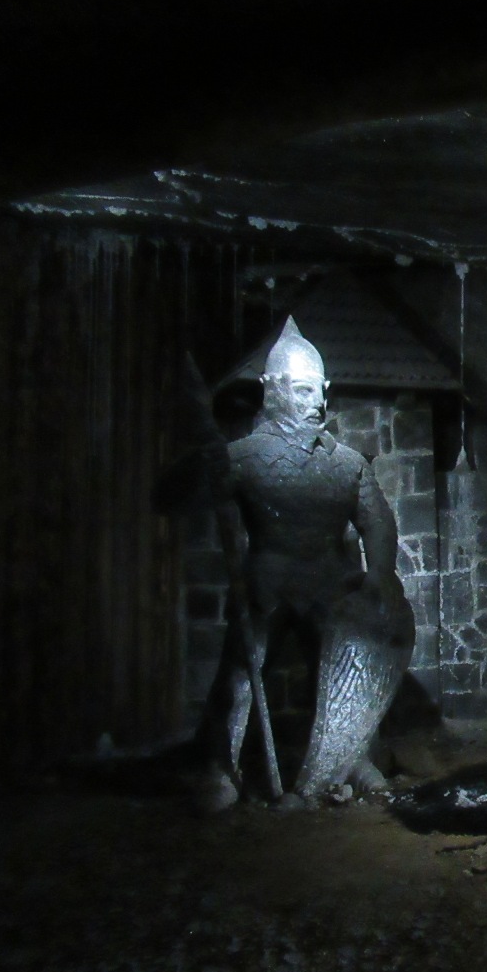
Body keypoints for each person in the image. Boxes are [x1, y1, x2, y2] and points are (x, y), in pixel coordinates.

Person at [198, 318, 413, 810]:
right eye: (302, 391)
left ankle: (354, 758)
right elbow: (182, 496)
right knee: (239, 674)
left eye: (319, 390)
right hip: (266, 580)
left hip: (329, 582)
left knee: (354, 666)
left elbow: (378, 523)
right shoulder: (242, 457)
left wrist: (378, 575)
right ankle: (218, 764)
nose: (315, 402)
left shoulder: (347, 464)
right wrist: (208, 474)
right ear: (275, 391)